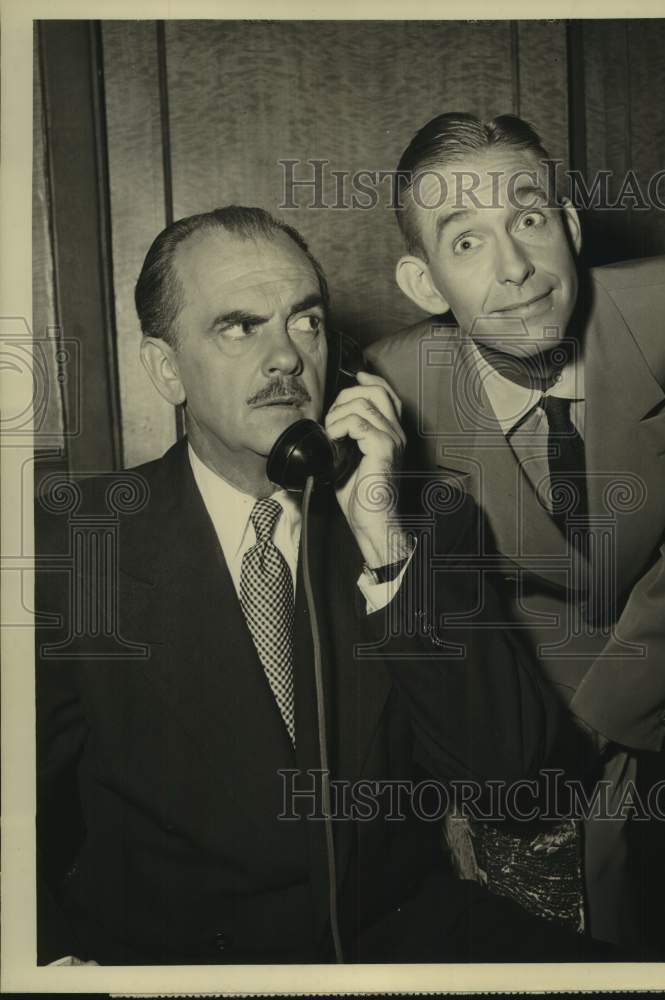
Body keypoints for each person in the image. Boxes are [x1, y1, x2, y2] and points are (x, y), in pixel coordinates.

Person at [35, 205, 607, 966]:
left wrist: (383, 543)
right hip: (166, 959)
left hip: (397, 940)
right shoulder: (76, 543)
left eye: (305, 323)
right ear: (165, 368)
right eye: (239, 327)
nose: (285, 358)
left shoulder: (425, 524)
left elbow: (520, 781)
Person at [366, 113, 665, 959]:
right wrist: (527, 765)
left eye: (530, 219)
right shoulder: (393, 388)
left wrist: (601, 720)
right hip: (553, 642)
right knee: (581, 914)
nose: (515, 269)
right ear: (424, 282)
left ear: (571, 228)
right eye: (465, 243)